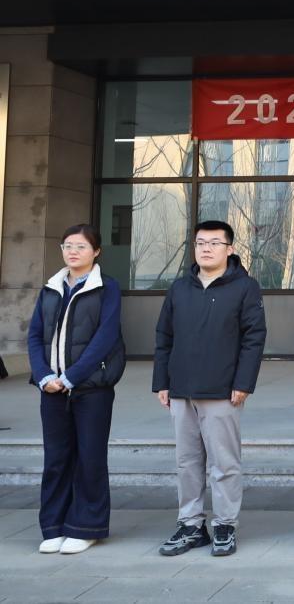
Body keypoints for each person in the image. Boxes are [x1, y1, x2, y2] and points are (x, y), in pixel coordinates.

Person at [153, 220, 267, 558]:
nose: (206, 248)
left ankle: (224, 525)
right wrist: (162, 381)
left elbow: (254, 338)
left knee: (223, 462)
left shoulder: (244, 287)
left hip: (222, 389)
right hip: (181, 388)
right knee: (186, 461)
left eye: (215, 243)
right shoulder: (179, 288)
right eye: (201, 242)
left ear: (229, 249)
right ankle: (190, 525)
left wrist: (243, 383)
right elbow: (164, 336)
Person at [28, 224, 125, 555]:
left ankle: (86, 527)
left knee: (90, 457)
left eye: (81, 246)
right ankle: (53, 526)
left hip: (91, 388)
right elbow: (34, 335)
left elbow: (105, 337)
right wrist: (43, 376)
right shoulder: (50, 288)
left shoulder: (106, 288)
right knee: (56, 459)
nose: (73, 251)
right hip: (51, 389)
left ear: (96, 252)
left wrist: (70, 377)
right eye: (68, 245)